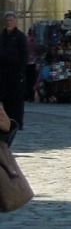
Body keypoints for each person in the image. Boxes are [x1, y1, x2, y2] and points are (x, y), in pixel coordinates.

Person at [0, 13, 31, 142]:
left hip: (16, 72)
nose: (9, 22)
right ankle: (5, 122)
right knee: (4, 98)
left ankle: (18, 122)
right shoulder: (2, 36)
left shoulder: (20, 37)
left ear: (15, 22)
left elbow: (24, 55)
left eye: (11, 20)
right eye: (7, 20)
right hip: (3, 72)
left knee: (16, 99)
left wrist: (22, 72)